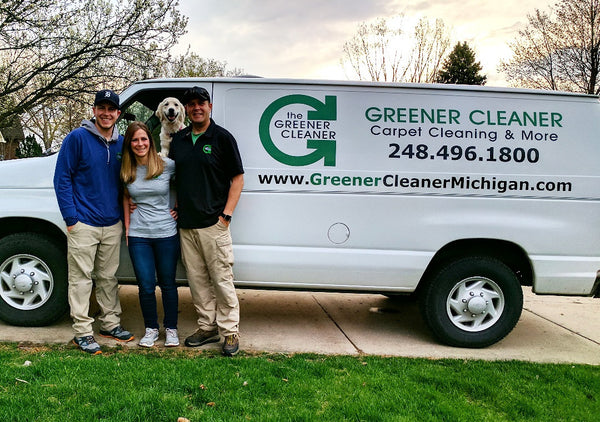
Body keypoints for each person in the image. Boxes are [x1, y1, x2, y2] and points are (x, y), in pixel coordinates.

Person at [53, 89, 134, 355]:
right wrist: (71, 219)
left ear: (118, 114)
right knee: (80, 280)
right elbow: (62, 178)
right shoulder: (77, 138)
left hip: (111, 223)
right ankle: (83, 332)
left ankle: (110, 324)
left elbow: (127, 179)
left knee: (108, 278)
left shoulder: (122, 144)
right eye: (102, 108)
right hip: (83, 223)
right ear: (94, 110)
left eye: (111, 109)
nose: (106, 113)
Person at [168, 86, 244, 356]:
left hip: (214, 224)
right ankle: (207, 327)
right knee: (197, 281)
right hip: (187, 225)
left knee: (221, 279)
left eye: (201, 103)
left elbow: (238, 179)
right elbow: (175, 178)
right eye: (191, 104)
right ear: (186, 109)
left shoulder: (222, 138)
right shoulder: (179, 140)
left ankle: (230, 331)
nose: (196, 108)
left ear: (209, 106)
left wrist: (226, 216)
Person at [121, 121, 180, 348]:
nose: (140, 144)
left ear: (150, 141)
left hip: (166, 233)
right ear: (130, 143)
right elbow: (125, 197)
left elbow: (186, 183)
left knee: (168, 284)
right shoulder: (127, 168)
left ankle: (171, 329)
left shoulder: (167, 165)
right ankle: (151, 329)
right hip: (139, 236)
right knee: (146, 285)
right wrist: (128, 229)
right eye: (135, 140)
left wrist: (179, 209)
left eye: (143, 139)